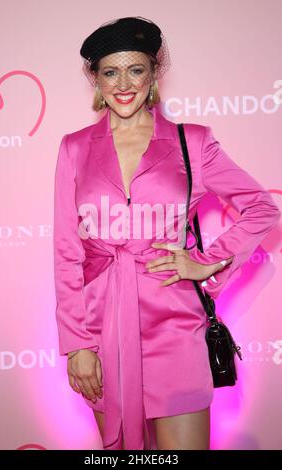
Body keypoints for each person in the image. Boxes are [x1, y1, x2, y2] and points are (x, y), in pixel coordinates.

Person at [53, 16, 281, 451]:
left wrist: (207, 261)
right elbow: (66, 253)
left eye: (135, 69)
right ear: (95, 79)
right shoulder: (74, 148)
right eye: (110, 71)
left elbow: (260, 207)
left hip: (175, 326)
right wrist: (77, 345)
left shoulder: (191, 143)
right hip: (102, 331)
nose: (124, 83)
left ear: (153, 74)